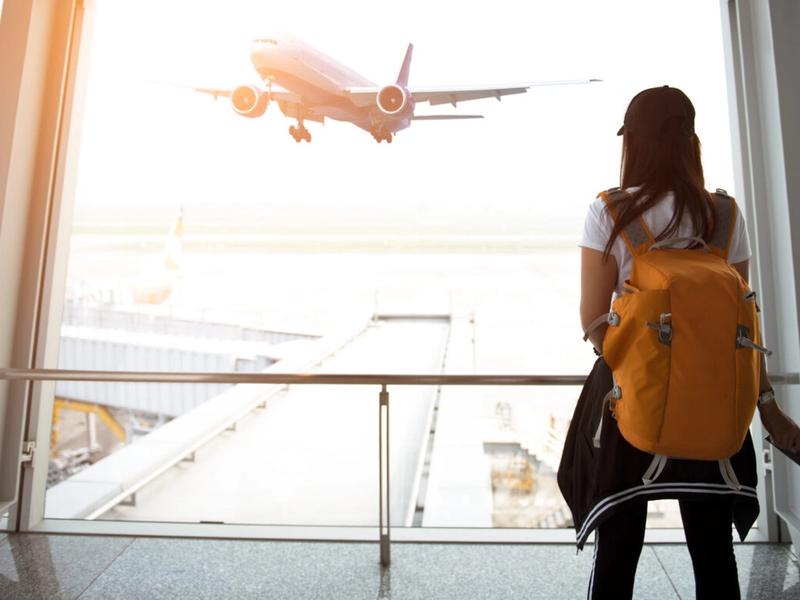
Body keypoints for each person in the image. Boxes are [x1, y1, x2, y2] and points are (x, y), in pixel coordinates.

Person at [557, 85, 800, 600]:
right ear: (692, 143)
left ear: (633, 143)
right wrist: (767, 407)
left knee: (619, 547)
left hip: (628, 399)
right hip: (713, 396)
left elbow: (593, 319)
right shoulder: (725, 215)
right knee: (712, 552)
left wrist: (644, 359)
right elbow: (744, 325)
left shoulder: (611, 211)